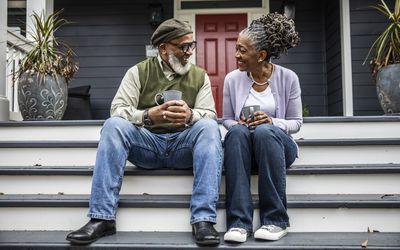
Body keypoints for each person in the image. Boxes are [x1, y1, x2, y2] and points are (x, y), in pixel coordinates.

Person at [66, 18, 223, 246]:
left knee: (209, 127)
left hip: (183, 147)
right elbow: (117, 110)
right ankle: (102, 218)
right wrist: (147, 116)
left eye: (192, 45)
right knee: (113, 125)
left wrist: (191, 116)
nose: (189, 52)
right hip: (147, 146)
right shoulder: (138, 72)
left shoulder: (200, 76)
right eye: (183, 46)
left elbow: (210, 113)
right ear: (163, 49)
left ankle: (203, 220)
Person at [222, 13, 302, 243]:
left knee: (266, 132)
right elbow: (226, 119)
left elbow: (296, 123)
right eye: (236, 48)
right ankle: (239, 224)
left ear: (261, 55)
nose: (236, 55)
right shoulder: (232, 79)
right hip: (246, 148)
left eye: (242, 50)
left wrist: (272, 121)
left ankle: (276, 221)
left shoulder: (288, 78)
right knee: (235, 132)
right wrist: (238, 124)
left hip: (277, 147)